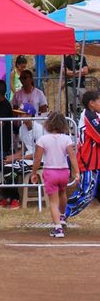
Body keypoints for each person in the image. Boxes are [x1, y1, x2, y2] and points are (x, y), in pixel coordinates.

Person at [31, 112, 79, 238]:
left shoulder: (43, 139)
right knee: (63, 193)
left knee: (53, 201)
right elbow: (72, 156)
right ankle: (62, 216)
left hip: (50, 171)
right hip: (64, 171)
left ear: (48, 124)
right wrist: (77, 172)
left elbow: (37, 158)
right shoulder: (67, 138)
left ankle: (58, 228)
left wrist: (34, 172)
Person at [64, 90, 100, 223]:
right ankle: (63, 214)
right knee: (86, 193)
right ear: (91, 103)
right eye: (99, 101)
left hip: (97, 162)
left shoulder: (95, 114)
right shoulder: (89, 116)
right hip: (88, 162)